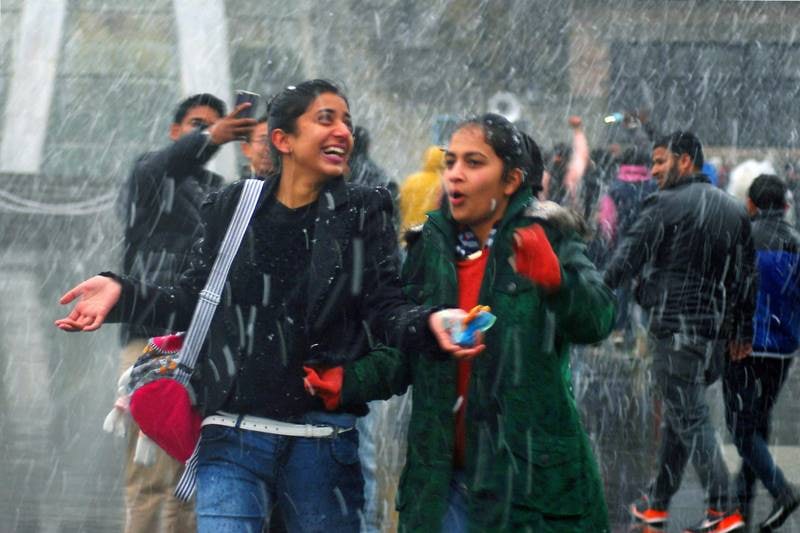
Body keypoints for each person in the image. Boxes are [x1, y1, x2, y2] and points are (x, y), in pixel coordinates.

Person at [56, 79, 479, 533]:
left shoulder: (362, 210)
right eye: (325, 119)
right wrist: (124, 292)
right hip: (231, 438)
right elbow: (192, 301)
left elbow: (385, 307)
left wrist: (430, 323)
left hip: (320, 444)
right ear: (283, 140)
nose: (343, 132)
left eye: (347, 122)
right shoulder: (233, 206)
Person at [306, 113, 616, 531]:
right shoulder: (427, 247)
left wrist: (559, 282)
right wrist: (349, 381)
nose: (455, 175)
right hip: (442, 482)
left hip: (526, 483)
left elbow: (598, 319)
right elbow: (406, 348)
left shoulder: (548, 236)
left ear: (510, 180)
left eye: (473, 163)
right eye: (450, 162)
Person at [116, 92, 254, 533]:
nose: (203, 134)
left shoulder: (218, 191)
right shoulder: (149, 176)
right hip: (150, 340)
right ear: (175, 132)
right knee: (148, 474)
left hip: (201, 344)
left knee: (189, 479)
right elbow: (164, 165)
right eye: (195, 125)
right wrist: (213, 136)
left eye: (211, 126)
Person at [605, 131, 756, 533]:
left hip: (674, 329)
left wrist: (593, 290)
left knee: (689, 417)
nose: (653, 171)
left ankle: (724, 508)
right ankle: (657, 502)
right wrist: (742, 330)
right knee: (680, 415)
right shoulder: (732, 209)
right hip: (713, 335)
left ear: (684, 161)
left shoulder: (665, 204)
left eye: (659, 162)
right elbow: (745, 278)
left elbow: (626, 258)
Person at [723, 174, 800, 531]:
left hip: (745, 346)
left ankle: (782, 491)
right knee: (757, 424)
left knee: (740, 428)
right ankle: (742, 507)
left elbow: (733, 291)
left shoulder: (743, 239)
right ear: (785, 206)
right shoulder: (795, 242)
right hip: (782, 350)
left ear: (751, 204)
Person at [398, 145, 445, 232]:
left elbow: (400, 208)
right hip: (431, 235)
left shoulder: (411, 180)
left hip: (408, 234)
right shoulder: (444, 184)